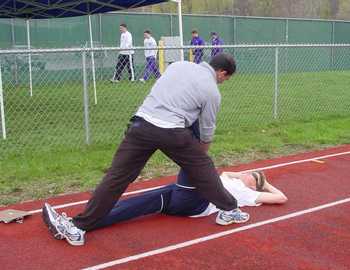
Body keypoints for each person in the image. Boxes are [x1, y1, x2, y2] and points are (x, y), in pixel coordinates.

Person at [42, 53, 247, 247]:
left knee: (116, 178)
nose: (223, 82)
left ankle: (77, 228)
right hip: (172, 131)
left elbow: (168, 89)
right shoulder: (212, 91)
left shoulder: (178, 65)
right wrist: (198, 158)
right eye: (226, 78)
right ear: (222, 73)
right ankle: (230, 209)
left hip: (141, 125)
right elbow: (206, 132)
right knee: (203, 167)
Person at [43, 170, 287, 234]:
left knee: (195, 162)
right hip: (180, 194)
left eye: (252, 176)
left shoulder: (247, 195)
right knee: (133, 206)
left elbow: (281, 198)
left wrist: (263, 183)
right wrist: (250, 176)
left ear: (252, 184)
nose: (248, 174)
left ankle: (181, 141)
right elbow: (232, 173)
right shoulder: (229, 178)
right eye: (251, 173)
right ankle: (79, 225)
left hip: (196, 204)